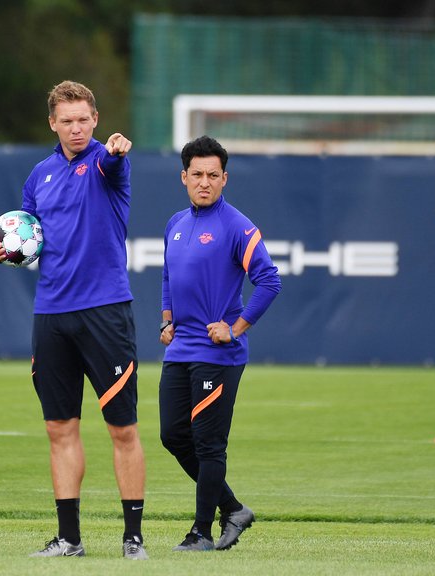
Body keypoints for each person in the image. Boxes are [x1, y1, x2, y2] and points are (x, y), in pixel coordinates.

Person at [0, 80, 147, 560]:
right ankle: (69, 539)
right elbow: (25, 235)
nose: (76, 128)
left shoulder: (108, 164)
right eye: (66, 120)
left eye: (83, 119)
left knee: (122, 428)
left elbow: (114, 159)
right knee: (59, 429)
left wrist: (115, 150)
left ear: (96, 119)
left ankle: (133, 538)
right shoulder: (40, 175)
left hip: (105, 312)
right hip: (51, 315)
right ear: (53, 123)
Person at [158, 135, 281, 552]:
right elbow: (168, 276)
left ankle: (201, 533)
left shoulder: (238, 226)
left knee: (209, 444)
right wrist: (167, 318)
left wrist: (237, 327)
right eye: (197, 175)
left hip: (218, 354)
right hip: (180, 349)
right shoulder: (176, 224)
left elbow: (269, 280)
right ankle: (233, 508)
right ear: (184, 177)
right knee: (173, 436)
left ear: (225, 178)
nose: (205, 182)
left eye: (213, 175)